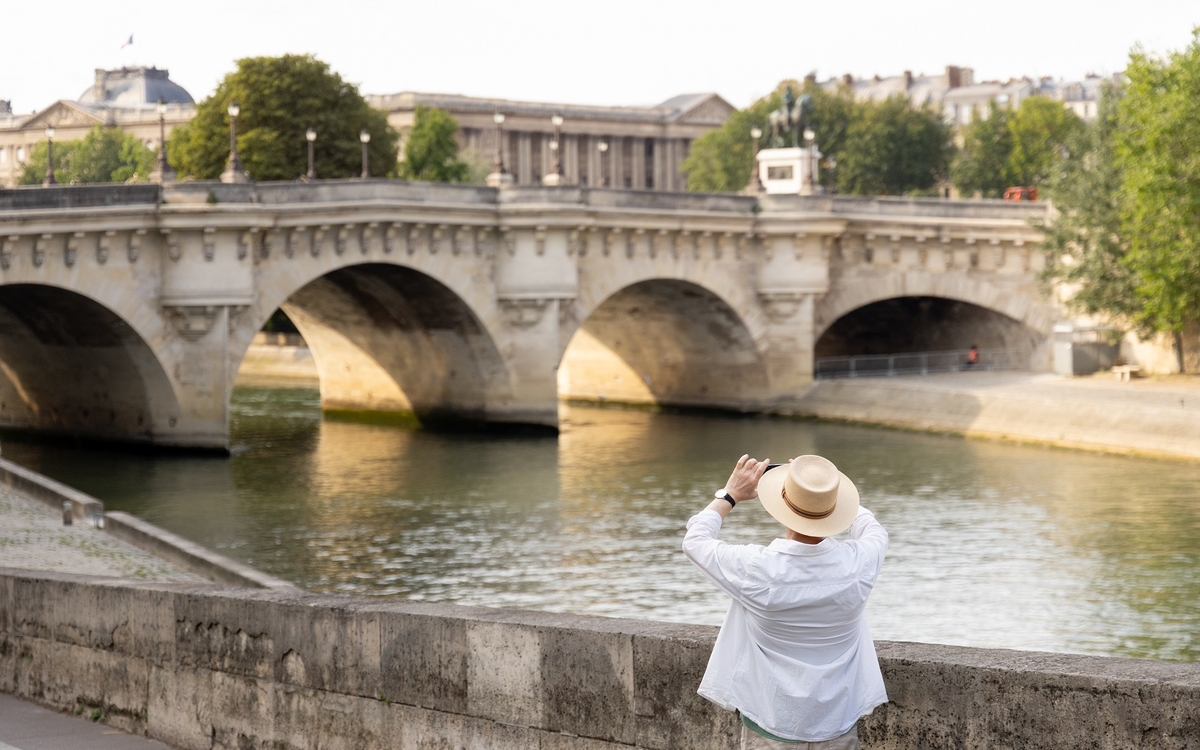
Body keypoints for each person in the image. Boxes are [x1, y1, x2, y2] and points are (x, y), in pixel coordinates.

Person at [683, 454, 889, 749]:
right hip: (837, 721)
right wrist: (827, 486)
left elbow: (695, 540)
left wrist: (730, 494)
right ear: (835, 509)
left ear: (780, 506)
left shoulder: (758, 568)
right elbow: (873, 529)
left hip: (772, 719)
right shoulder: (859, 564)